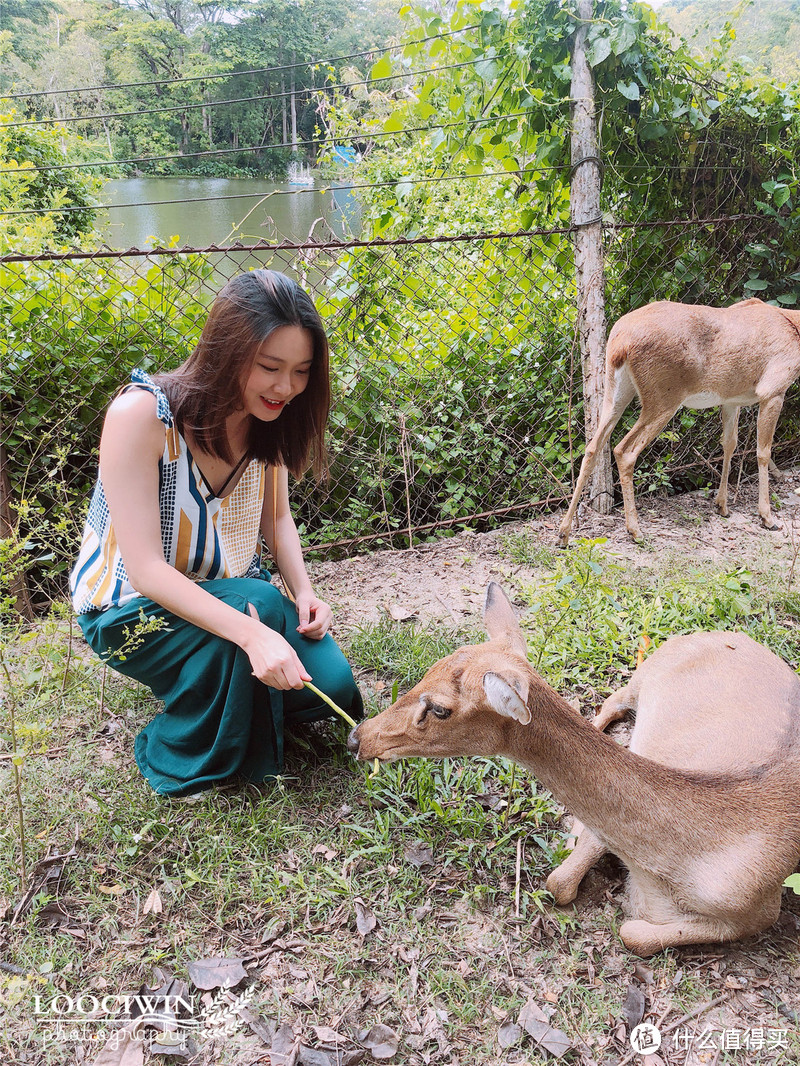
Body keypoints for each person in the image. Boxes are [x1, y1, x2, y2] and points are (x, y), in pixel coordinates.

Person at [70, 269, 363, 797]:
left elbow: (276, 519)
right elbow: (145, 569)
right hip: (131, 611)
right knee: (255, 605)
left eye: (301, 371)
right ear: (226, 352)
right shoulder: (142, 416)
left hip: (232, 593)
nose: (286, 388)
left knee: (335, 687)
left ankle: (214, 677)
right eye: (269, 367)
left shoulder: (268, 419)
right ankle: (182, 743)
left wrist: (304, 593)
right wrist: (253, 634)